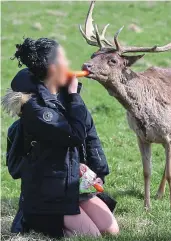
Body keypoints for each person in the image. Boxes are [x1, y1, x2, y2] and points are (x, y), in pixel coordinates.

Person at [5, 37, 119, 238]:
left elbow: (89, 133)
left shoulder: (64, 94)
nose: (69, 64)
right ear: (53, 68)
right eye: (64, 60)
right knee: (92, 237)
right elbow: (74, 136)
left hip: (71, 184)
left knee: (111, 230)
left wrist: (96, 168)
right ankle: (34, 221)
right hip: (48, 195)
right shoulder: (36, 109)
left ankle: (72, 216)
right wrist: (75, 96)